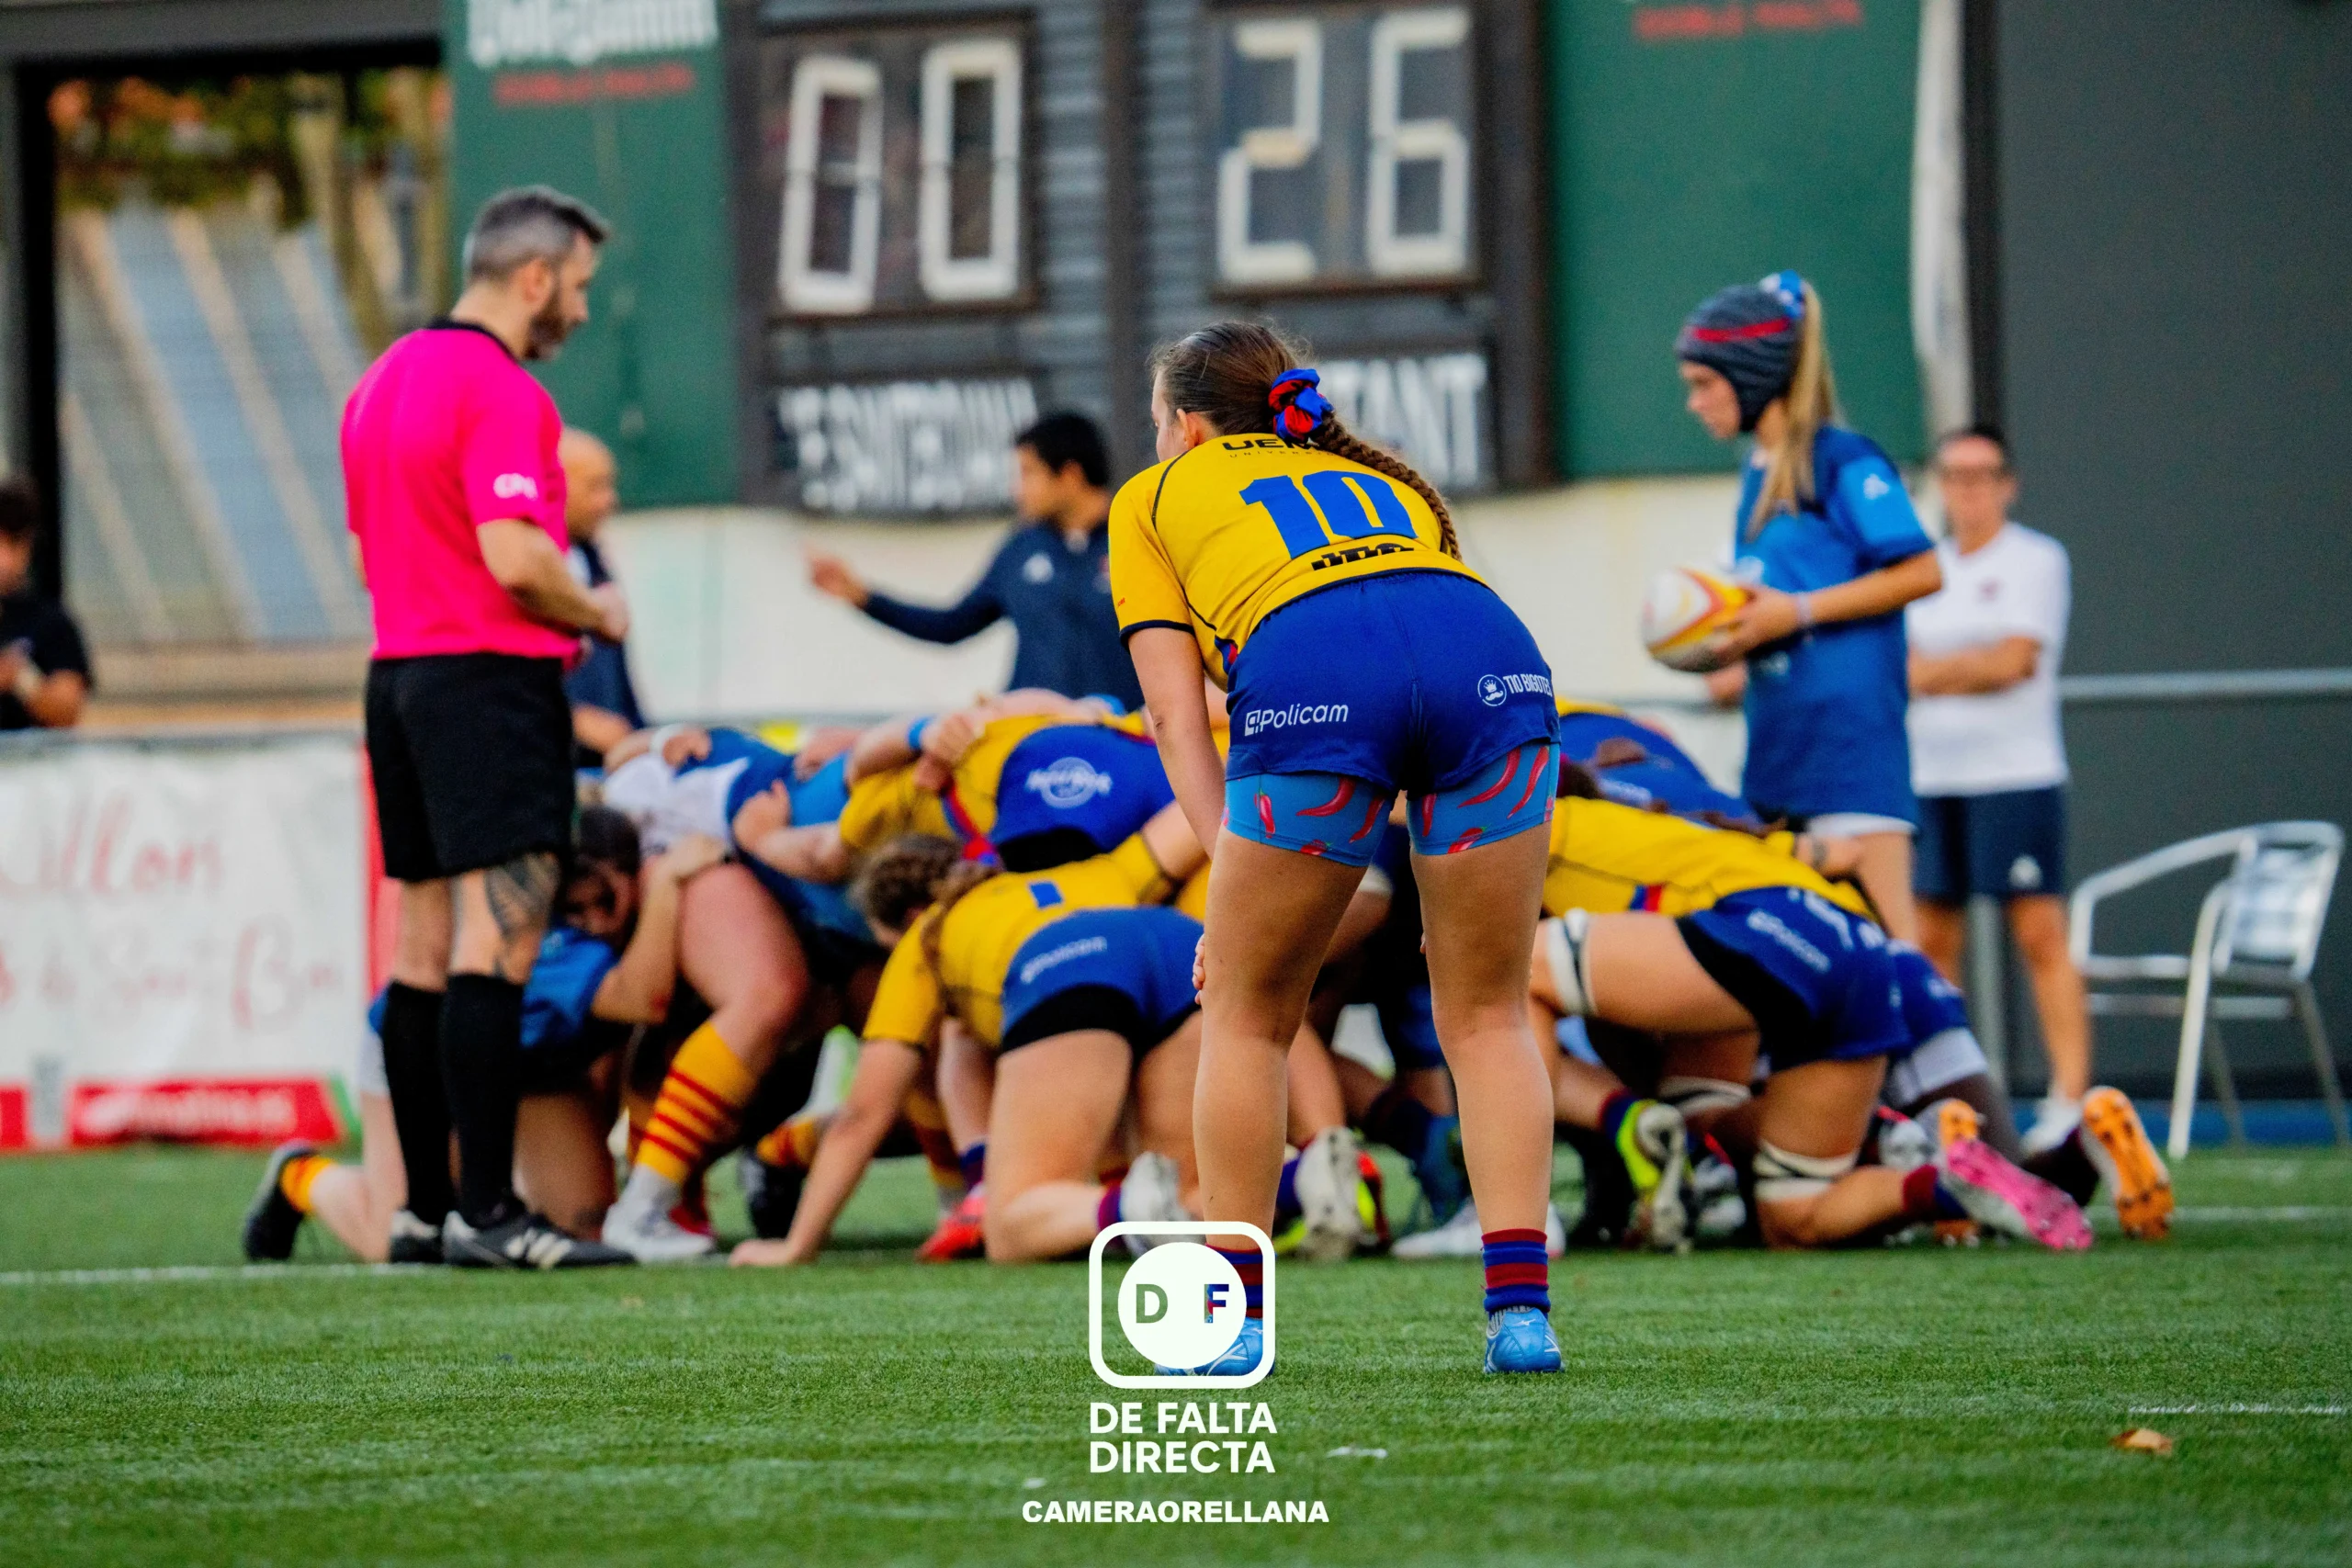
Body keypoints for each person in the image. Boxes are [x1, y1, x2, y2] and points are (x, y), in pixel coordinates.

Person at [1114, 321, 1565, 1376]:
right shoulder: (1379, 482)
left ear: (1184, 425)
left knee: (1244, 1015)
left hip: (1320, 668)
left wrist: (1224, 877)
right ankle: (1520, 1318)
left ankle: (1230, 1325)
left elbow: (1179, 722)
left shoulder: (1151, 496)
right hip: (1492, 656)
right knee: (1491, 1013)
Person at [342, 184, 632, 1269]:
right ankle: (489, 1214)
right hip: (486, 680)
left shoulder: (376, 383)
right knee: (495, 944)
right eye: (583, 289)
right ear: (536, 277)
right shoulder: (502, 390)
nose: (585, 313)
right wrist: (591, 609)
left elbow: (380, 553)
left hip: (398, 676)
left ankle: (420, 1212)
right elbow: (515, 557)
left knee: (420, 946)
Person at [1525, 783, 2091, 1253]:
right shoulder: (1663, 817)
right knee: (1793, 1220)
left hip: (1765, 927)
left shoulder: (1532, 826)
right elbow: (1843, 855)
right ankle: (1945, 1184)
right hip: (1862, 951)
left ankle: (1519, 1213)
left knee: (1511, 976)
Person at [242, 810, 722, 1260]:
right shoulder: (549, 937)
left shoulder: (609, 905)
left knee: (584, 1227)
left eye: (606, 902)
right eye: (576, 909)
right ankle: (300, 1175)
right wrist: (666, 884)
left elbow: (612, 1054)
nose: (595, 923)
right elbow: (643, 1000)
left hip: (536, 1065)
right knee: (394, 1235)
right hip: (428, 1063)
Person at [1676, 272, 1942, 941]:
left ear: (1754, 374)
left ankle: (1947, 1051)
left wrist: (1792, 613)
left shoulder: (1841, 457)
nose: (1694, 403)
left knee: (1892, 960)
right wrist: (1726, 640)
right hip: (1777, 753)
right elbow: (1773, 602)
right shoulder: (1756, 474)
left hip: (1850, 757)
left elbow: (1923, 570)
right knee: (1799, 970)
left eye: (1704, 384)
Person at [1905, 425, 2096, 1142]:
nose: (1968, 490)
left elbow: (2012, 662)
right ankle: (1957, 1099)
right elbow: (1919, 663)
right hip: (1933, 775)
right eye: (1955, 475)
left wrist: (1931, 675)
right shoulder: (1924, 566)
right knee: (1930, 939)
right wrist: (1952, 669)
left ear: (2007, 484)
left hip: (2015, 774)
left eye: (1982, 475)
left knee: (2039, 930)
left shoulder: (2036, 559)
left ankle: (2069, 1096)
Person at [806, 413, 1143, 709]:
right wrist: (862, 597)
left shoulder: (1140, 541)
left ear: (1069, 475)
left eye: (1027, 473)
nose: (1017, 490)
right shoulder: (1021, 549)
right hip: (1032, 741)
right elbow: (952, 625)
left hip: (1124, 743)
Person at [559, 428, 645, 766]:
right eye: (594, 486)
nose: (609, 500)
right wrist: (573, 719)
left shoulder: (593, 562)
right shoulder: (513, 574)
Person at [0, 477, 90, 731]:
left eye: (13, 543)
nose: (4, 559)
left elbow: (67, 712)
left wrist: (20, 678)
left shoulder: (51, 622)